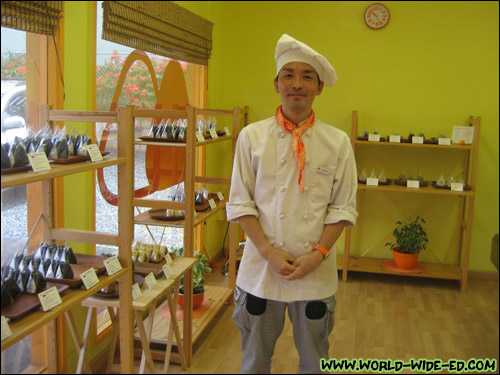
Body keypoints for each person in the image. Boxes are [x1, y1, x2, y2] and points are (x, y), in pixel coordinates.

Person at [226, 33, 358, 374]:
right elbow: (241, 203)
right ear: (276, 84)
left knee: (315, 362)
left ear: (319, 87)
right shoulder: (251, 137)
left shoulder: (337, 142)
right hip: (260, 271)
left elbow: (342, 208)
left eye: (307, 76)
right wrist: (268, 252)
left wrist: (318, 255)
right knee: (254, 360)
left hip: (315, 273)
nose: (297, 84)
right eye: (289, 75)